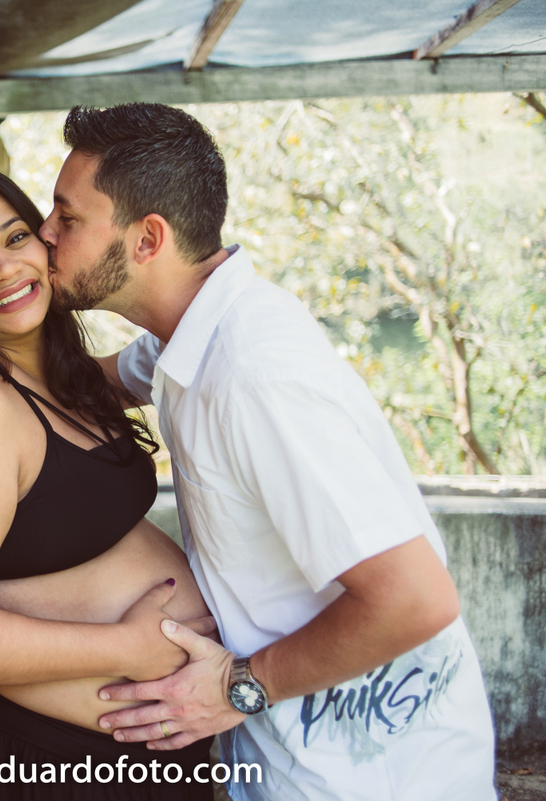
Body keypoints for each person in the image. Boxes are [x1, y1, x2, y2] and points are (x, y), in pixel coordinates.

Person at [38, 102, 497, 800]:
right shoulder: (186, 335)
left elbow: (415, 598)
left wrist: (238, 688)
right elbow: (86, 385)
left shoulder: (254, 375)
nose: (44, 236)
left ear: (146, 239)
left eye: (66, 218)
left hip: (373, 780)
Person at [0, 155, 217, 799]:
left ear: (46, 242)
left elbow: (177, 341)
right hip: (46, 763)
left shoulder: (68, 379)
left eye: (15, 238)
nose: (5, 269)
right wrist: (122, 649)